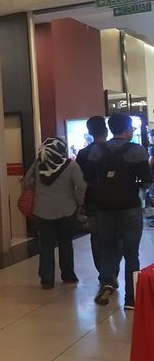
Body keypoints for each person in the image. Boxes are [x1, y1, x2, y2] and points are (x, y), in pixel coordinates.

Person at [85, 114, 152, 310]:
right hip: (130, 207)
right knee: (131, 253)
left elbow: (88, 177)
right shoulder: (137, 150)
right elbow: (147, 181)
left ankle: (107, 280)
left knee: (107, 247)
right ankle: (131, 299)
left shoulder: (97, 150)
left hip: (104, 208)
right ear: (127, 129)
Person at [22, 137, 85, 289]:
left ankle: (46, 279)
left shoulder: (38, 165)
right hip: (66, 211)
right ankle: (68, 275)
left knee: (46, 245)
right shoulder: (71, 165)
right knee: (65, 243)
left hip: (41, 211)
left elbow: (26, 182)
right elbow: (81, 186)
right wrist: (78, 202)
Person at [76, 115, 109, 274]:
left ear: (89, 132)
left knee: (96, 237)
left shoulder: (83, 153)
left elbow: (79, 179)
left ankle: (103, 273)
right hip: (112, 202)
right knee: (113, 236)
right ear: (106, 130)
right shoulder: (113, 150)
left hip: (92, 201)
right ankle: (111, 271)